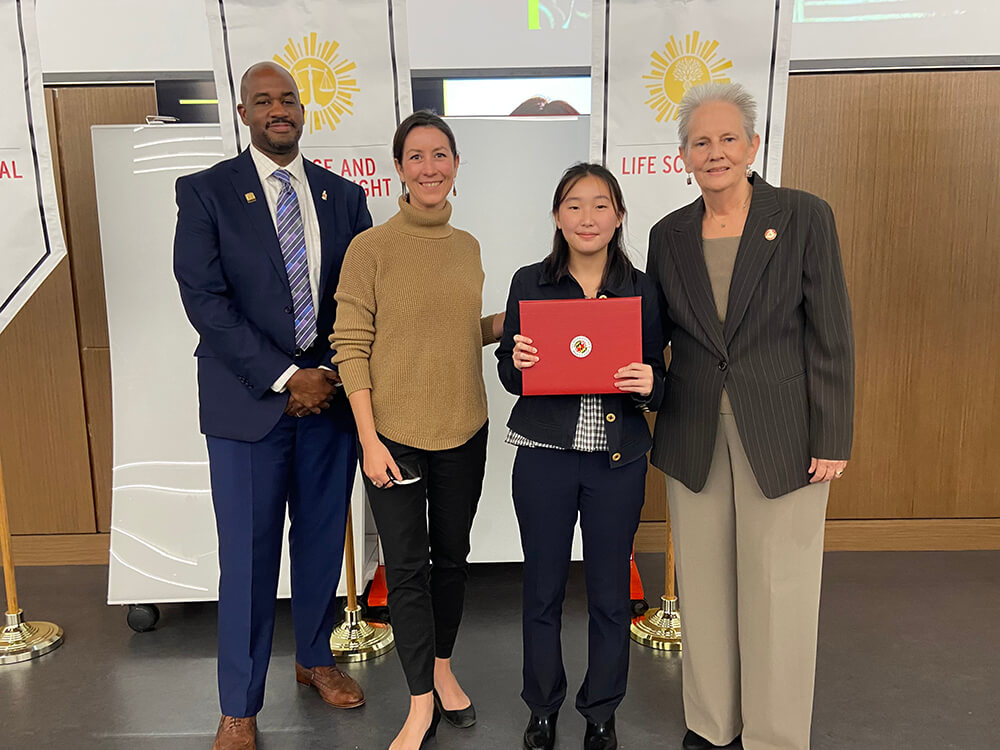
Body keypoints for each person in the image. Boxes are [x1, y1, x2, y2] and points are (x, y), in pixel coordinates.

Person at [645, 82, 854, 750]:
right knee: (703, 589)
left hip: (785, 433)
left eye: (727, 138)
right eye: (700, 142)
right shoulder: (667, 234)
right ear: (683, 155)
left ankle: (774, 734)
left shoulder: (803, 216)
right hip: (693, 429)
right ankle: (711, 724)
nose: (715, 153)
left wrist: (833, 435)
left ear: (754, 145)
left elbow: (832, 335)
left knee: (779, 592)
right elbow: (656, 337)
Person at [173, 61, 371, 750]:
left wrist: (325, 378)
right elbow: (205, 301)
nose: (278, 109)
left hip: (330, 407)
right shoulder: (205, 193)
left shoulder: (344, 197)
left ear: (301, 109)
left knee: (321, 543)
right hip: (247, 407)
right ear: (243, 112)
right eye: (263, 101)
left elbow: (360, 302)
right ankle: (239, 704)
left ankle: (315, 658)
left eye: (287, 99)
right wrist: (288, 377)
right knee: (249, 559)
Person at [330, 111, 504, 750]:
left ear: (456, 165)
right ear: (398, 168)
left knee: (452, 561)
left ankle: (443, 669)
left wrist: (514, 320)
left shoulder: (469, 247)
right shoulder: (370, 248)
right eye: (417, 157)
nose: (430, 168)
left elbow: (454, 330)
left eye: (441, 155)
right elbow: (350, 345)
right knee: (406, 569)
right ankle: (418, 701)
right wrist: (370, 441)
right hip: (394, 436)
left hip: (465, 426)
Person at [496, 163, 666, 750]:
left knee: (609, 595)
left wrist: (650, 382)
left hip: (616, 462)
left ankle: (601, 710)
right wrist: (515, 362)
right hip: (544, 457)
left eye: (600, 205)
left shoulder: (643, 288)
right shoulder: (529, 282)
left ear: (618, 216)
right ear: (556, 216)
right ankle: (542, 707)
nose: (587, 217)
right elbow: (509, 377)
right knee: (540, 589)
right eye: (574, 205)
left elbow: (664, 381)